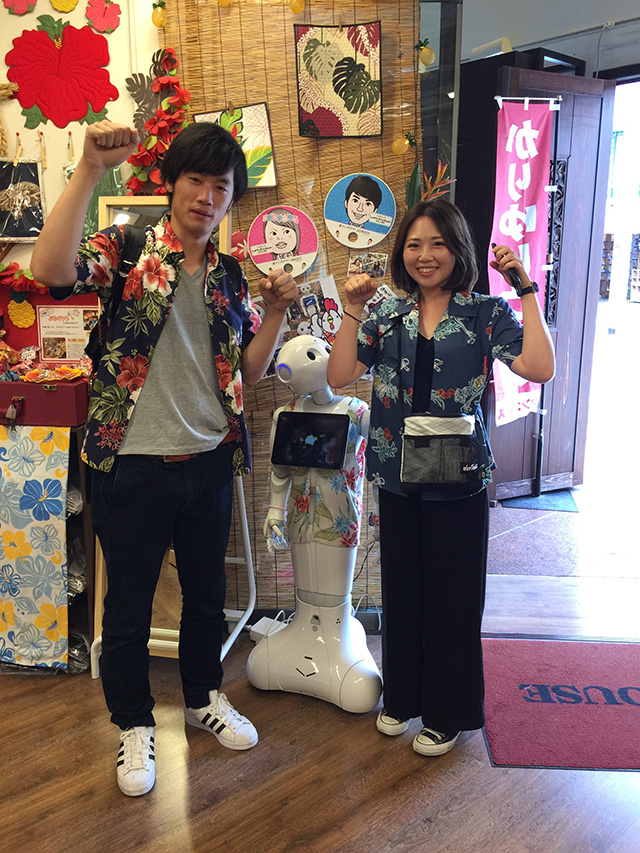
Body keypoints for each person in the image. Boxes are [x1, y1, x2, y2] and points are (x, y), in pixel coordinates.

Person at [30, 120, 297, 797]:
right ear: (171, 184)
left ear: (231, 198)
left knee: (207, 599)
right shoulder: (126, 251)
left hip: (208, 460)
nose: (206, 196)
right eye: (195, 180)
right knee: (127, 609)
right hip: (132, 464)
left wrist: (273, 313)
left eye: (220, 186)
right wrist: (91, 169)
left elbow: (245, 372)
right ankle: (133, 723)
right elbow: (49, 270)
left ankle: (204, 697)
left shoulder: (229, 275)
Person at [327, 198, 554, 757]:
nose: (425, 255)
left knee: (453, 594)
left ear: (458, 250)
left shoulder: (485, 313)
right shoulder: (386, 314)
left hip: (457, 474)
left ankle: (448, 713)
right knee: (403, 589)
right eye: (414, 245)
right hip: (397, 471)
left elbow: (539, 367)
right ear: (401, 254)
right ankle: (402, 698)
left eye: (437, 243)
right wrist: (352, 308)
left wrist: (525, 289)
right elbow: (340, 374)